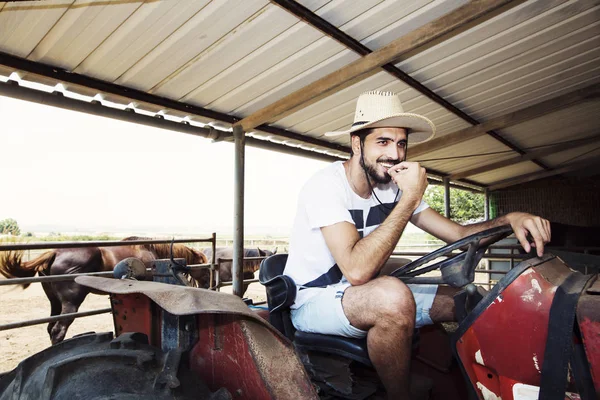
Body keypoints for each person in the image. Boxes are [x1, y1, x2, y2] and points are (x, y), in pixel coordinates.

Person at [283, 90, 551, 399]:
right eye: (382, 142)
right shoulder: (326, 186)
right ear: (357, 143)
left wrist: (509, 220)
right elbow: (357, 271)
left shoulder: (392, 188)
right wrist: (410, 198)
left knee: (468, 299)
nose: (395, 155)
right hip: (313, 300)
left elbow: (459, 235)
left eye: (401, 143)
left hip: (359, 293)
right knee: (393, 296)